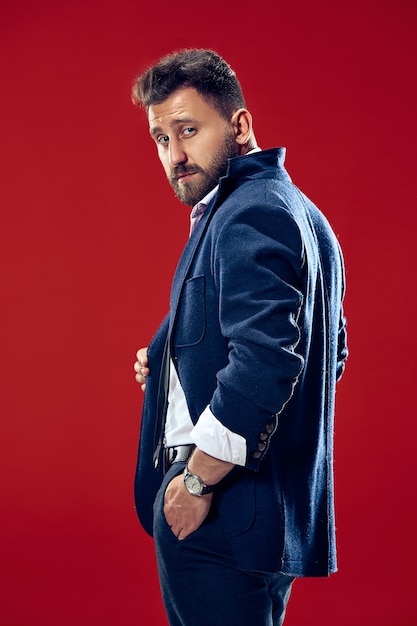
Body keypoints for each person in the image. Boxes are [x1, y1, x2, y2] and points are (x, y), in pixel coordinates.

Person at [132, 48, 348, 626]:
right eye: (160, 138)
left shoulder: (249, 212)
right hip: (259, 518)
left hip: (220, 512)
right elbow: (327, 353)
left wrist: (198, 481)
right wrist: (175, 359)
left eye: (188, 130)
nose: (174, 156)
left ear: (240, 125)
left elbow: (267, 360)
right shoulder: (303, 214)